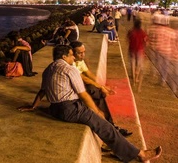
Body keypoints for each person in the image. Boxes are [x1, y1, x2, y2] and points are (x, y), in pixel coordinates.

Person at [18, 45, 162, 162]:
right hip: (70, 108)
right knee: (105, 126)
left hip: (55, 108)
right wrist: (97, 112)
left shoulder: (48, 69)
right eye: (71, 54)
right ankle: (140, 154)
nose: (73, 57)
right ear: (64, 57)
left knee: (99, 122)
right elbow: (83, 94)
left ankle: (116, 147)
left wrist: (33, 106)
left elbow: (42, 91)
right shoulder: (69, 69)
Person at [70, 41, 132, 137]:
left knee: (96, 92)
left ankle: (111, 126)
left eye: (84, 52)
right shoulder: (71, 64)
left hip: (81, 88)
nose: (83, 55)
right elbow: (84, 79)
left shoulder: (80, 60)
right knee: (94, 91)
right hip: (73, 92)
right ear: (72, 53)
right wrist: (102, 87)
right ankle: (111, 126)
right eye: (80, 53)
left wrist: (103, 85)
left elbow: (89, 74)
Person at [128, 19, 148, 88]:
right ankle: (136, 77)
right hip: (140, 50)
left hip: (132, 49)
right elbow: (145, 41)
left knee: (132, 65)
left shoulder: (131, 31)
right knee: (139, 65)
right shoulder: (142, 32)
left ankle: (133, 80)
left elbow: (128, 39)